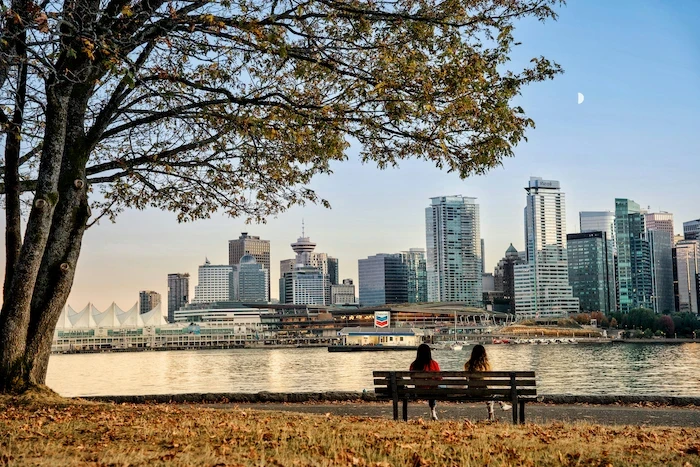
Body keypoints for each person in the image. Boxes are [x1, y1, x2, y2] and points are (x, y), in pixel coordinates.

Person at [464, 344, 512, 421]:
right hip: (485, 392)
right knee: (489, 390)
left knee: (488, 390)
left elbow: (467, 378)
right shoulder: (487, 365)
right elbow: (489, 378)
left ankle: (497, 409)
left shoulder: (467, 365)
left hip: (471, 393)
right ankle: (500, 405)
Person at [410, 343, 441, 421]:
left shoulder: (413, 365)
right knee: (434, 387)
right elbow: (439, 378)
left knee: (431, 387)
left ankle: (433, 410)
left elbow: (412, 378)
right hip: (432, 391)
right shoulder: (434, 364)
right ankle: (433, 410)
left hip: (418, 391)